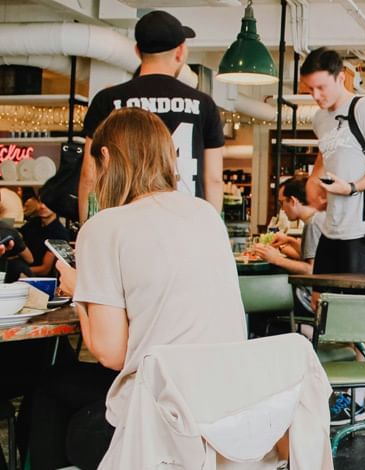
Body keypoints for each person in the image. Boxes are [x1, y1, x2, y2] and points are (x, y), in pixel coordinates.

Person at [26, 107, 246, 470]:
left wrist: (81, 291)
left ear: (107, 157)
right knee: (59, 387)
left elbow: (111, 355)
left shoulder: (104, 227)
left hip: (162, 426)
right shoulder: (205, 214)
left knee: (51, 394)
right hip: (222, 411)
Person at [299, 47, 365, 423]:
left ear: (340, 76)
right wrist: (317, 180)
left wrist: (354, 187)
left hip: (364, 226)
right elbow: (328, 153)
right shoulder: (319, 119)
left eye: (321, 88)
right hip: (332, 226)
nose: (316, 96)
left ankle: (357, 400)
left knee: (359, 314)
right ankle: (329, 387)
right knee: (322, 306)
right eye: (310, 89)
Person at [78, 10, 225, 222]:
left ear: (137, 51)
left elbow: (89, 174)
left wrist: (87, 228)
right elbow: (213, 179)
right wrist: (211, 230)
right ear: (180, 51)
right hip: (186, 221)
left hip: (126, 221)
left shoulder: (108, 100)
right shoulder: (204, 104)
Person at [251, 177, 325, 322]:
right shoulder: (319, 218)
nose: (282, 209)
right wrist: (289, 241)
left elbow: (312, 270)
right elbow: (316, 255)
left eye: (282, 202)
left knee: (258, 298)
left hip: (310, 298)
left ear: (293, 200)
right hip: (322, 296)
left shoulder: (313, 225)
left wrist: (276, 259)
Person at [19, 199, 71, 277]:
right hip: (23, 271)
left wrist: (17, 271)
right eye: (40, 202)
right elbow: (18, 237)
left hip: (42, 280)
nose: (42, 206)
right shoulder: (33, 223)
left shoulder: (60, 233)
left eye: (47, 203)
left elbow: (44, 269)